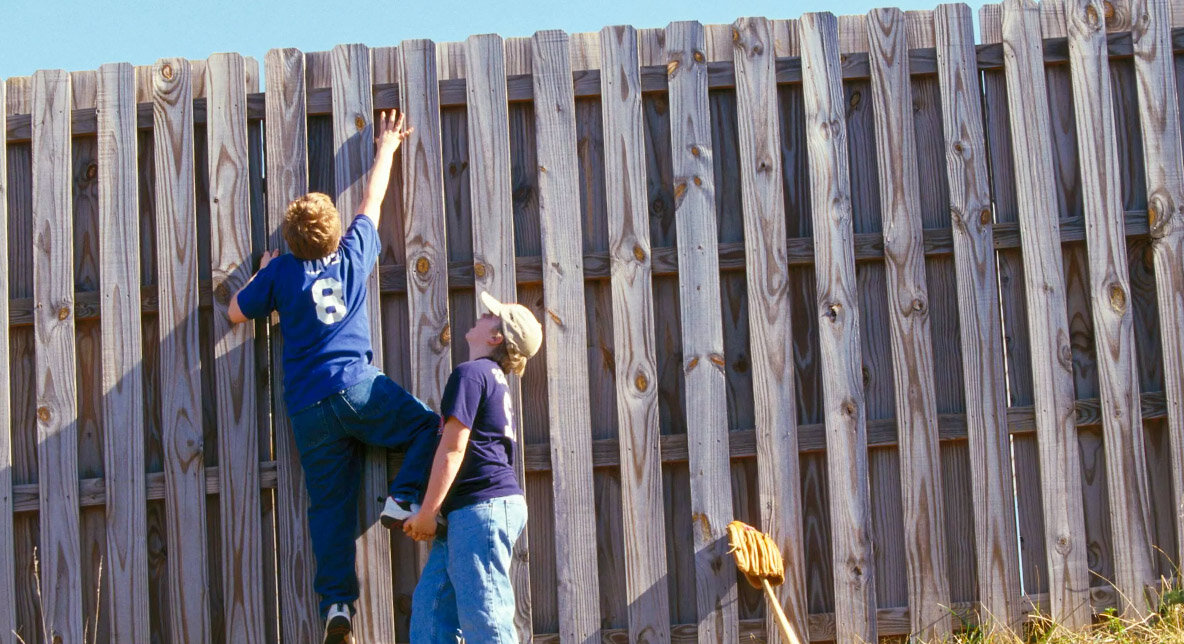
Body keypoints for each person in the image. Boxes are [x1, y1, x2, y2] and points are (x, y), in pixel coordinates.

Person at [228, 110, 436, 644]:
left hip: (308, 409)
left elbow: (233, 312)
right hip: (357, 386)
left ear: (291, 242)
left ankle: (338, 604)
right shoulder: (352, 254)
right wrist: (385, 146)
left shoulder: (279, 273)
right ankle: (404, 496)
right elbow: (374, 199)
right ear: (334, 232)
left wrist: (263, 269)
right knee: (427, 427)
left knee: (329, 507)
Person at [403, 292, 542, 644]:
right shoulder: (493, 378)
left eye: (490, 315)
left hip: (480, 511)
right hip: (472, 510)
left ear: (496, 337)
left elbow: (452, 448)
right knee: (430, 616)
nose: (481, 314)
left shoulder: (471, 373)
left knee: (486, 621)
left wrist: (427, 514)